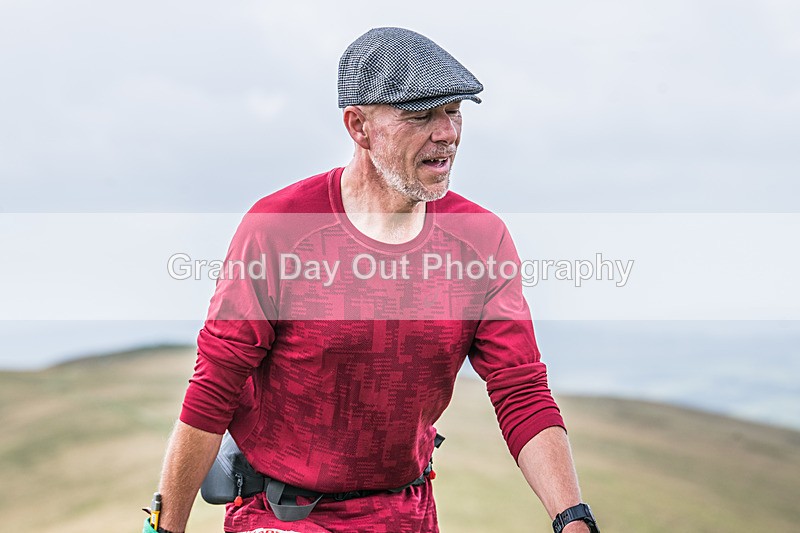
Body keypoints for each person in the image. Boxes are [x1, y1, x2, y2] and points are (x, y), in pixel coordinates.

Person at [144, 27, 599, 533]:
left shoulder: (480, 239)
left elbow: (520, 389)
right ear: (359, 127)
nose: (446, 132)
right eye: (421, 115)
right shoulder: (279, 228)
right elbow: (215, 387)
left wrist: (572, 518)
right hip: (279, 515)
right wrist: (165, 528)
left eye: (453, 110)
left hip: (408, 513)